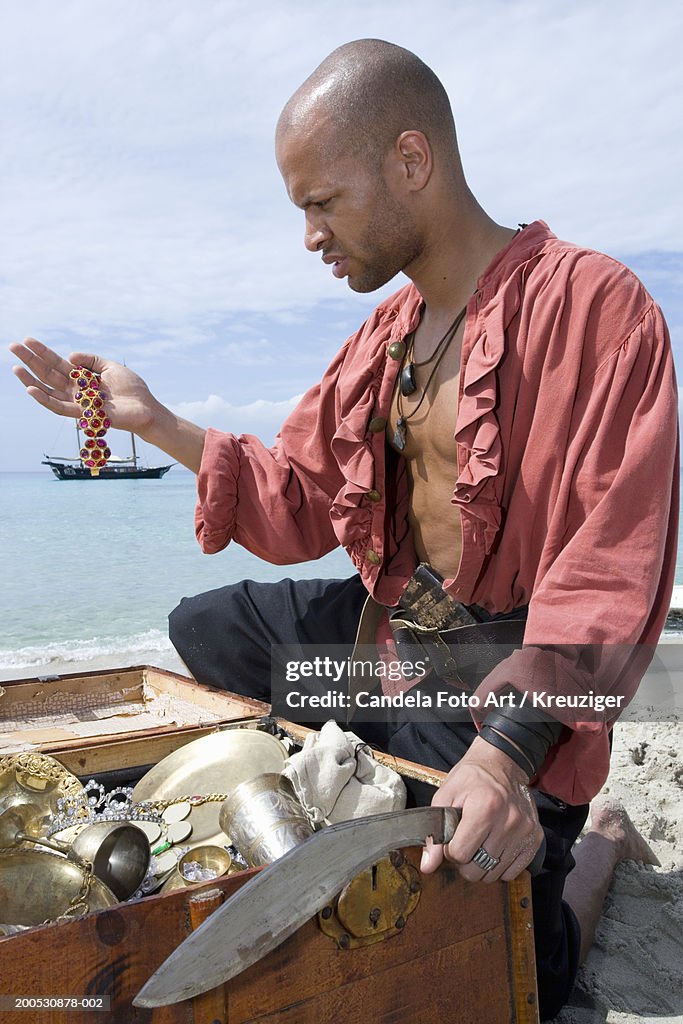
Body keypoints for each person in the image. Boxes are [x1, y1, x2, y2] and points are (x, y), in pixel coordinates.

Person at [10, 39, 676, 1020]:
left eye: (321, 202)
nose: (311, 235)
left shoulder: (590, 308)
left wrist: (507, 751)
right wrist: (150, 419)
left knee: (524, 969)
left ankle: (598, 841)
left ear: (411, 160)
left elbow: (607, 564)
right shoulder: (382, 341)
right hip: (392, 649)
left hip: (501, 680)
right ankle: (357, 775)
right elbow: (288, 500)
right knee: (213, 629)